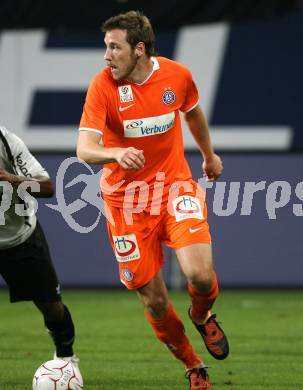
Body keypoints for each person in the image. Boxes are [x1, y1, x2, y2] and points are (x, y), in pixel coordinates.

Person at [77, 10, 229, 389]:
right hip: (126, 205)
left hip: (175, 188)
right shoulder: (103, 87)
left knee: (200, 275)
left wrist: (208, 155)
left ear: (139, 49)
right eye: (106, 47)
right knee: (156, 303)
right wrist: (114, 153)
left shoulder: (176, 76)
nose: (107, 56)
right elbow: (84, 148)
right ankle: (193, 365)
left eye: (115, 47)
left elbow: (192, 113)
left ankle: (201, 314)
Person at [0, 126, 82, 382]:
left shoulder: (6, 141)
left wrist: (10, 179)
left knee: (51, 307)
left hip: (19, 237)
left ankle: (66, 360)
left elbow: (47, 187)